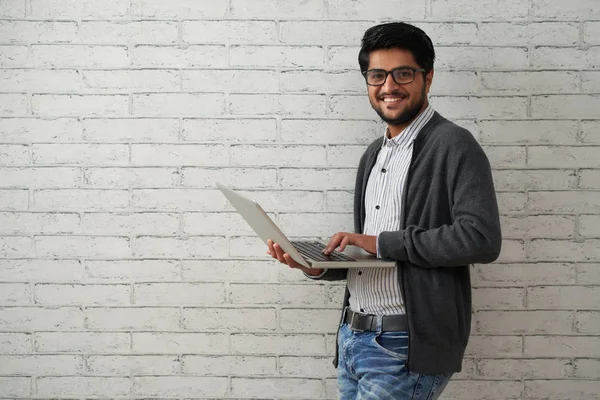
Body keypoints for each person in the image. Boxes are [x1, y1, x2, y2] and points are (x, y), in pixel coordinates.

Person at [267, 22, 501, 400]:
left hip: (403, 342)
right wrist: (319, 266)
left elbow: (481, 239)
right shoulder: (373, 154)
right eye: (377, 75)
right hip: (353, 336)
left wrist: (380, 242)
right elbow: (377, 255)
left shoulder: (455, 145)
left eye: (403, 73)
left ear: (428, 77)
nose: (389, 86)